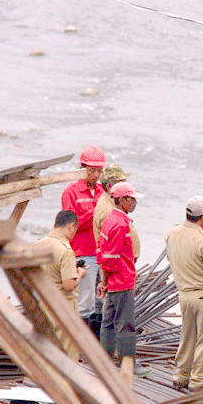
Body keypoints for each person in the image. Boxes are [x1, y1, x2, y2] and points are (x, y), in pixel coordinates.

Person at [165, 196, 203, 392]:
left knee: (187, 336)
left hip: (184, 294)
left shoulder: (172, 233)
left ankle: (181, 375)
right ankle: (199, 382)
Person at [97, 182, 148, 381]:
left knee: (108, 323)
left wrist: (104, 281)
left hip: (112, 282)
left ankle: (105, 363)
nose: (135, 202)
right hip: (122, 280)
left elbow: (102, 252)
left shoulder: (110, 219)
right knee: (126, 325)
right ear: (123, 200)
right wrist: (109, 278)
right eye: (132, 199)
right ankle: (129, 364)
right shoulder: (120, 224)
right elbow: (111, 258)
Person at [91, 163, 140, 338]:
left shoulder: (112, 210)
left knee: (109, 320)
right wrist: (106, 280)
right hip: (120, 276)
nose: (135, 201)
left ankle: (107, 356)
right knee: (121, 322)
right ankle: (123, 359)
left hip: (117, 274)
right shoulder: (110, 213)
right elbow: (110, 254)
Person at [62, 145, 105, 331]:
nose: (95, 175)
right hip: (83, 253)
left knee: (100, 301)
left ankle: (96, 344)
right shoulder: (71, 192)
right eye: (91, 170)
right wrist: (97, 214)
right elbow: (70, 226)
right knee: (84, 302)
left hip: (101, 253)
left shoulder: (102, 192)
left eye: (98, 171)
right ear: (82, 168)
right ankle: (80, 346)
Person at [35, 210, 87, 362]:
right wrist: (80, 274)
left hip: (42, 302)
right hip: (63, 305)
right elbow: (69, 285)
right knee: (68, 349)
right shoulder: (66, 252)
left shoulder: (38, 244)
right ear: (71, 226)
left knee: (45, 348)